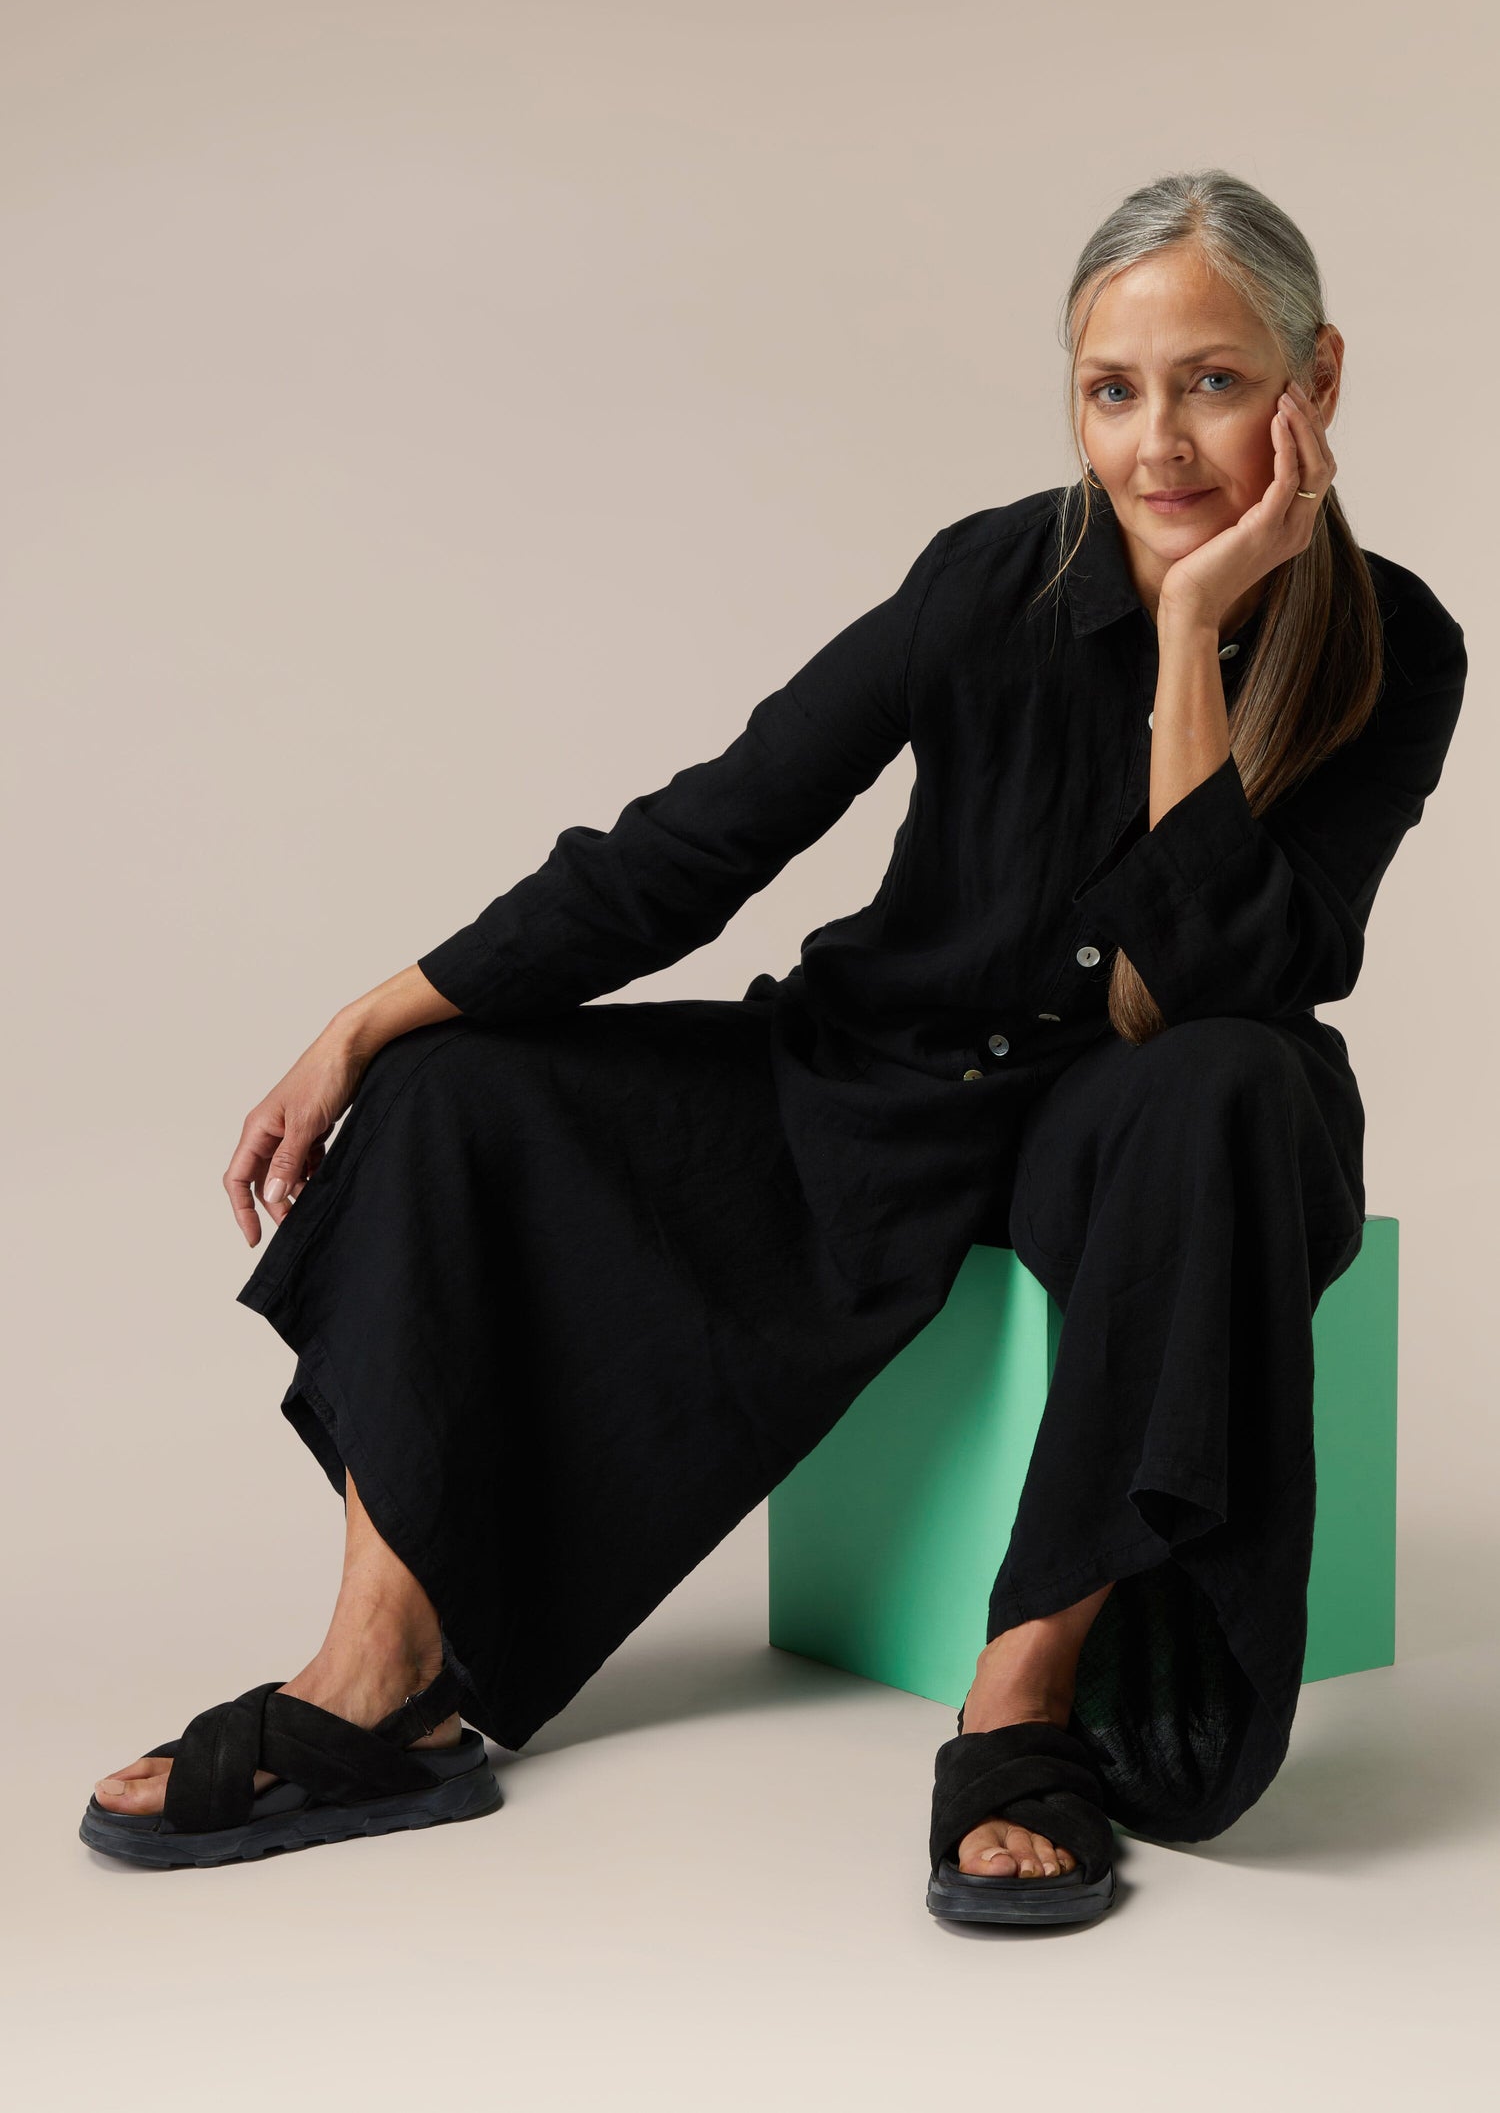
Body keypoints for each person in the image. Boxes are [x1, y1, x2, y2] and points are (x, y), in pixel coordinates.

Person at [81, 168, 1467, 1925]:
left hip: (1134, 1126)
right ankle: (384, 1678)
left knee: (1237, 1081)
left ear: (1316, 379)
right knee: (457, 1091)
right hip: (870, 1083)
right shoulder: (987, 579)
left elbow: (1235, 970)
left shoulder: (1392, 645)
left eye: (1212, 379)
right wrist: (376, 1011)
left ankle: (1023, 1699)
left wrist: (1194, 630)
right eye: (1112, 388)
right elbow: (711, 833)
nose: (1157, 443)